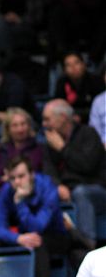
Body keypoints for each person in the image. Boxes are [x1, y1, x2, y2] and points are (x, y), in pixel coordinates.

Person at [0, 155, 72, 277]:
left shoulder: (47, 188)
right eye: (12, 178)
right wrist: (18, 238)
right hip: (25, 237)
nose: (17, 182)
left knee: (38, 243)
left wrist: (20, 203)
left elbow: (38, 226)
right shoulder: (8, 190)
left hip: (55, 236)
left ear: (32, 174)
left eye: (21, 176)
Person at [42, 99, 106, 247]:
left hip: (97, 190)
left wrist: (63, 148)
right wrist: (58, 186)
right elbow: (48, 169)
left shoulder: (88, 133)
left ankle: (87, 243)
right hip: (67, 190)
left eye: (47, 119)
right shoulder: (50, 141)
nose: (44, 124)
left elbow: (87, 166)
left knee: (81, 192)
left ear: (63, 117)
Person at [0, 107, 44, 206]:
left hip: (28, 192)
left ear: (29, 126)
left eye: (23, 124)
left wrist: (10, 176)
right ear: (8, 129)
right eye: (15, 125)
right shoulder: (3, 149)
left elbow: (34, 169)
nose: (20, 129)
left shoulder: (38, 149)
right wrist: (6, 172)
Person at [53, 51, 103, 124]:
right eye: (68, 65)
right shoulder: (62, 83)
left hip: (93, 119)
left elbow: (102, 106)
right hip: (69, 121)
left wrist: (81, 116)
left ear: (83, 65)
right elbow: (58, 105)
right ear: (64, 70)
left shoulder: (96, 81)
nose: (73, 67)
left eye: (76, 63)